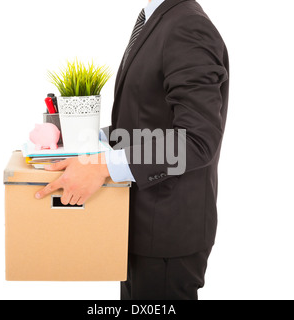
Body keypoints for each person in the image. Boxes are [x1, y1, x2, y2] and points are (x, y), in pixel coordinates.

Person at [35, 0, 229, 300]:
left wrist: (104, 166)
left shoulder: (187, 26)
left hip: (167, 234)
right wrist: (86, 141)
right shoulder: (158, 19)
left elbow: (197, 139)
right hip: (141, 225)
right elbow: (147, 121)